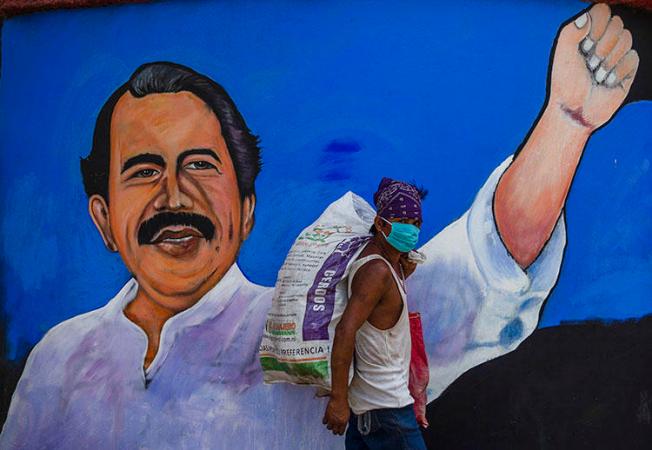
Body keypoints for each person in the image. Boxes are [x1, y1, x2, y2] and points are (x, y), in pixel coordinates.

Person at [0, 4, 639, 448]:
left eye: (200, 164)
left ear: (245, 209)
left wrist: (564, 124)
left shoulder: (304, 323)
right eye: (143, 170)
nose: (175, 194)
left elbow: (475, 277)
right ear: (104, 219)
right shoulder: (56, 363)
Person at [323, 178, 428, 449]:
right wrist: (338, 398)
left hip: (370, 408)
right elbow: (346, 329)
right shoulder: (377, 272)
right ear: (381, 224)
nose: (411, 229)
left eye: (416, 223)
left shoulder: (387, 265)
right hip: (388, 408)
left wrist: (402, 269)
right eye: (403, 221)